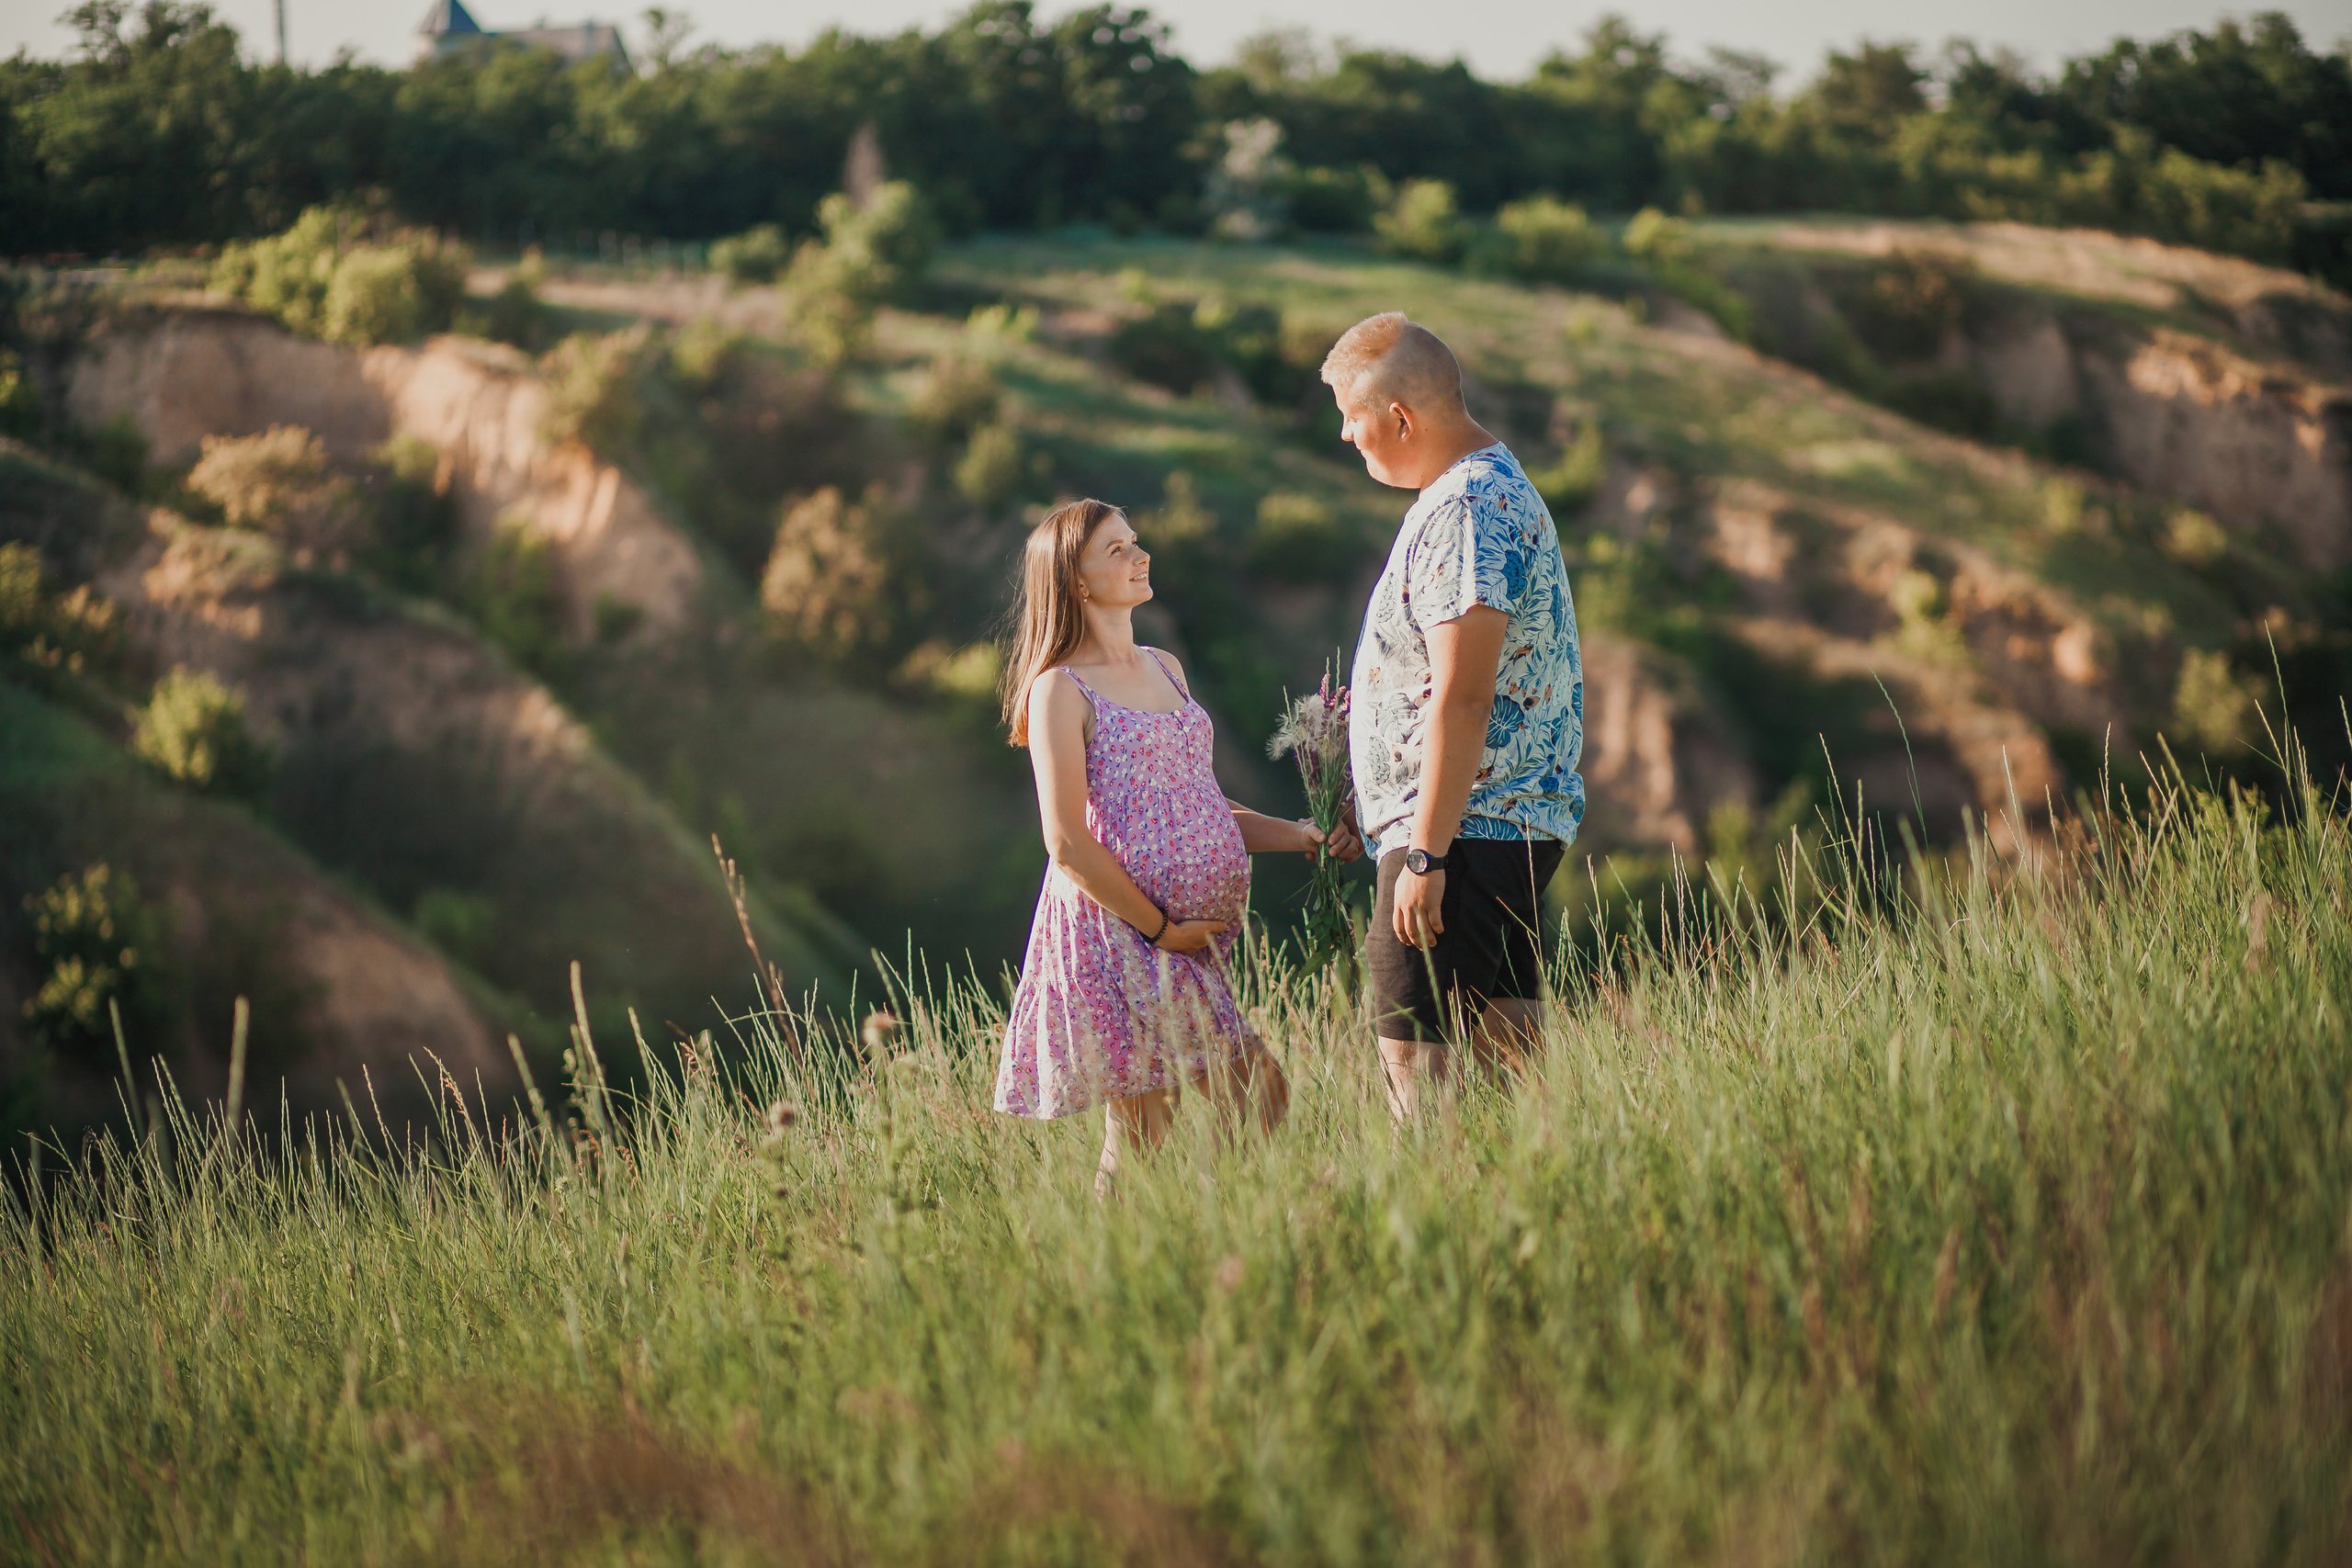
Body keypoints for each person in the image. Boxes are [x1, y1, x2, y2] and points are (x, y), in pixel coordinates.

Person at [993, 497, 1325, 1193]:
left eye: (1134, 541)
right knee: (1232, 1102)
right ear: (1074, 580)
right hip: (1120, 932)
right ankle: (1224, 1224)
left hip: (1180, 939)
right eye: (1116, 549)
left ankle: (1202, 1232)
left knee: (1158, 1126)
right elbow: (1066, 841)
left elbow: (1197, 804)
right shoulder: (1060, 689)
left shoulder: (1165, 665)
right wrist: (1162, 929)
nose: (1140, 555)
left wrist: (1300, 836)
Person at [1324, 311, 1584, 1121]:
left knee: (1424, 1100)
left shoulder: (1466, 509)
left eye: (1351, 416)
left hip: (1464, 837)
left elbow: (1462, 695)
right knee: (1505, 1094)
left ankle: (1438, 1241)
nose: (1344, 436)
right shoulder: (1489, 490)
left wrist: (1424, 854)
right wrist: (1374, 809)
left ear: (1400, 419)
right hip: (1487, 830)